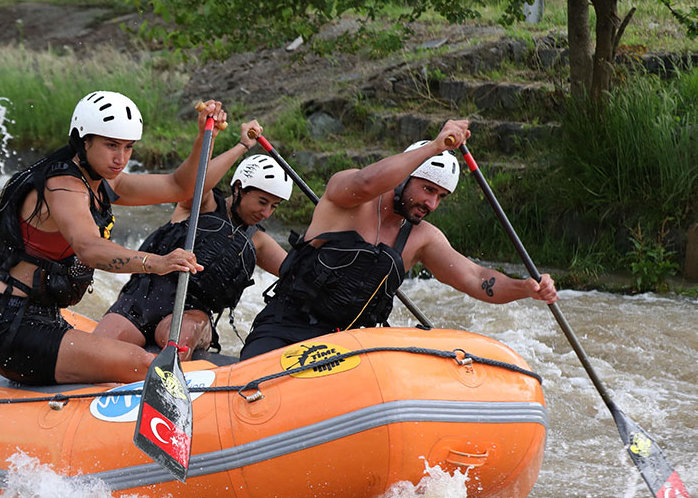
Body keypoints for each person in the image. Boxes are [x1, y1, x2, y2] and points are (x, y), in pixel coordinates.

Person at [239, 121, 559, 360]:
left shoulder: (422, 239)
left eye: (441, 196)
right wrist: (435, 146)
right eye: (428, 189)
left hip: (351, 345)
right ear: (404, 177)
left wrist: (526, 288)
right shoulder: (346, 197)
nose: (432, 204)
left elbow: (476, 279)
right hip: (286, 327)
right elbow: (366, 182)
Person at [0, 91, 227, 386]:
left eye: (128, 148)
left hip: (47, 319)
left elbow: (180, 186)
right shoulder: (62, 185)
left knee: (138, 361)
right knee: (146, 365)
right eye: (111, 145)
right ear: (83, 141)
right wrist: (157, 262)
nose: (120, 158)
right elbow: (88, 248)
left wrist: (204, 137)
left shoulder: (104, 182)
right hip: (15, 328)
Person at [94, 122, 293, 355]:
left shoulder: (258, 242)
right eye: (262, 202)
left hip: (193, 315)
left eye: (274, 206)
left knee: (181, 331)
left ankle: (172, 374)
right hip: (144, 297)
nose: (266, 213)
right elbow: (193, 183)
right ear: (239, 188)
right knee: (98, 351)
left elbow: (298, 272)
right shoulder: (200, 203)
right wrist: (242, 145)